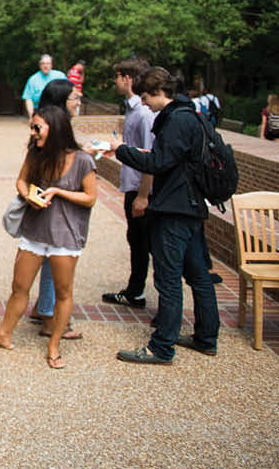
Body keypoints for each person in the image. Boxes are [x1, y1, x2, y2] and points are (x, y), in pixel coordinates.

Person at [110, 67, 219, 364]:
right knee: (198, 275)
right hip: (192, 205)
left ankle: (161, 347)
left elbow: (158, 163)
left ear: (159, 92)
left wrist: (122, 150)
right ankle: (206, 337)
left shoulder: (175, 120)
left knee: (168, 278)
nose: (144, 103)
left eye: (146, 97)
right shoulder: (190, 114)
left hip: (174, 209)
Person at [0, 105, 97, 369]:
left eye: (37, 127)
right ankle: (3, 334)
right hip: (35, 232)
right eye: (32, 127)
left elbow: (90, 198)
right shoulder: (36, 154)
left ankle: (54, 346)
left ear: (56, 128)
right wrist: (28, 195)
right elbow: (21, 181)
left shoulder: (82, 160)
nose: (32, 132)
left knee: (63, 293)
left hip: (65, 236)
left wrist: (58, 192)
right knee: (19, 287)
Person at [27, 78, 85, 340]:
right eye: (74, 97)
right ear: (62, 101)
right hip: (54, 206)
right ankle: (50, 317)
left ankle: (44, 308)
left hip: (46, 203)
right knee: (56, 258)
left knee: (50, 257)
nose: (78, 101)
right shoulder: (54, 131)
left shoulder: (46, 126)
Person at [101, 58, 154, 309]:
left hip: (141, 189)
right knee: (137, 240)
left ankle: (140, 294)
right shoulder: (133, 109)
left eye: (117, 77)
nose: (115, 81)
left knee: (145, 242)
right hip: (133, 186)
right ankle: (135, 291)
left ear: (127, 78)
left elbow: (151, 157)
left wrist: (143, 195)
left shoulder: (144, 113)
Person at [22, 54, 66, 118]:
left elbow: (68, 93)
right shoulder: (33, 79)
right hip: (40, 112)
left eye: (48, 63)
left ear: (51, 65)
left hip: (58, 111)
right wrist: (31, 116)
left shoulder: (60, 76)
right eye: (43, 63)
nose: (46, 66)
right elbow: (28, 98)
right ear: (40, 65)